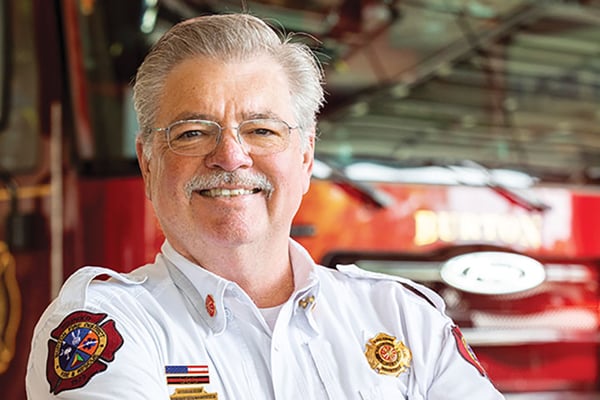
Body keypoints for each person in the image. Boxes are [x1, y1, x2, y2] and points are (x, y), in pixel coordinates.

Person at [26, 13, 504, 399]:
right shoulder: (106, 325)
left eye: (261, 130)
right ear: (149, 165)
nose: (231, 156)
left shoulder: (405, 317)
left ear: (305, 156)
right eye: (193, 133)